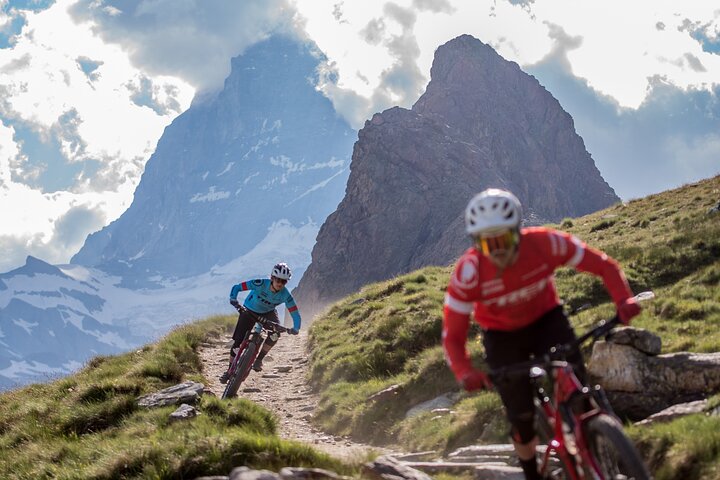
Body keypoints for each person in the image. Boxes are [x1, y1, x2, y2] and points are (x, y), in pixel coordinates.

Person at [442, 188, 641, 480]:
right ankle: (532, 474)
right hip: (502, 336)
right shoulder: (468, 272)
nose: (497, 251)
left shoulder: (545, 243)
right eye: (488, 244)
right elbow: (452, 334)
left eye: (504, 239)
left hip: (547, 320)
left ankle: (596, 446)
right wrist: (464, 371)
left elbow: (603, 265)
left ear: (518, 232)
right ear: (476, 244)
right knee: (521, 418)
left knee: (578, 391)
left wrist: (624, 300)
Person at [219, 262, 301, 383]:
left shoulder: (286, 295)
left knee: (275, 334)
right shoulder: (260, 283)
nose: (280, 283)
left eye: (283, 281)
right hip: (249, 310)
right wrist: (233, 298)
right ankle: (229, 371)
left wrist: (296, 328)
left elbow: (295, 312)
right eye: (278, 280)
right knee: (238, 342)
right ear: (272, 278)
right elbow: (237, 287)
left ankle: (259, 359)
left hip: (268, 313)